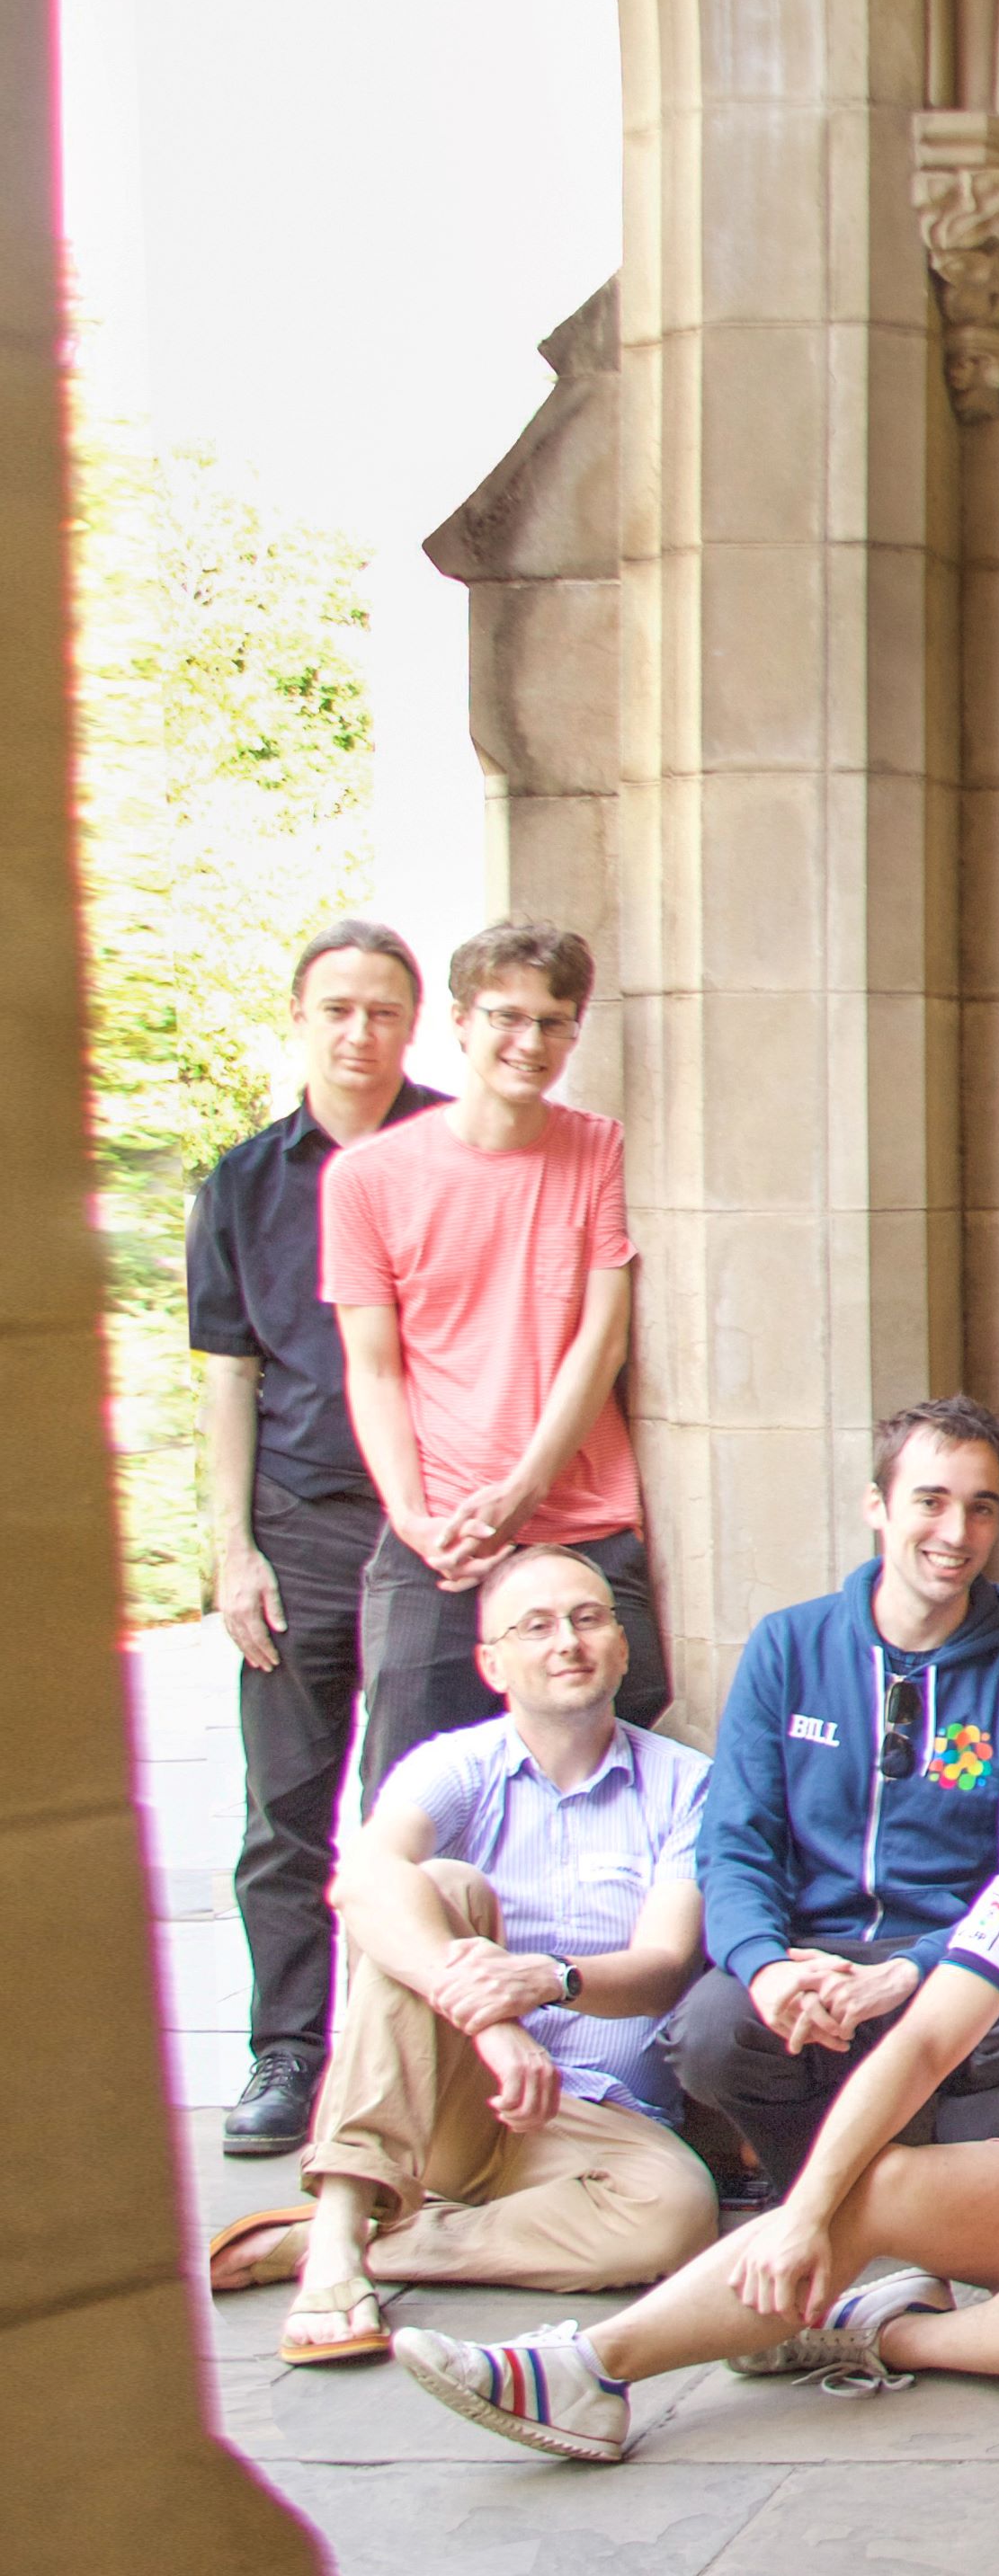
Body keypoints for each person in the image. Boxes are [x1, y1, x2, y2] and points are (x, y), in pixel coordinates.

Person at [397, 1621, 999, 2459]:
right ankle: (588, 2368)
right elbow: (919, 2046)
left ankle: (890, 2334)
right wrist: (807, 2210)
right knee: (871, 2185)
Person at [201, 1542, 715, 2366]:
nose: (567, 1643)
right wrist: (495, 2024)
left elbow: (662, 1965)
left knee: (679, 2215)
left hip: (593, 2121)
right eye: (536, 1626)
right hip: (456, 2097)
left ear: (623, 1645)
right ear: (492, 1661)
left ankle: (372, 2245)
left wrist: (547, 1980)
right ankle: (336, 2235)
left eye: (589, 1620)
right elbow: (362, 1880)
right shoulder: (458, 1766)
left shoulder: (688, 1784)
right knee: (439, 1887)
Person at [664, 1399, 999, 2193]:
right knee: (711, 2031)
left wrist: (915, 1970)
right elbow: (735, 1843)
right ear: (877, 1506)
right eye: (931, 1501)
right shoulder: (788, 1647)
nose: (956, 1534)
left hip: (952, 1962)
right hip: (809, 1958)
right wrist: (765, 1969)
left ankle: (943, 2193)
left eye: (979, 1508)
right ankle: (819, 2181)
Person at [189, 916, 442, 2153]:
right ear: (302, 1018)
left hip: (429, 1531)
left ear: (413, 1023)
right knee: (284, 1811)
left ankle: (398, 2056)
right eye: (338, 1008)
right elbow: (227, 1378)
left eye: (384, 1010)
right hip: (296, 1523)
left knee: (418, 1806)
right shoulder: (242, 1184)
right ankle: (287, 2055)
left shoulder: (453, 1150)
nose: (361, 1032)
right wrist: (230, 1551)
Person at [324, 918, 659, 1790]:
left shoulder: (600, 1148)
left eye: (553, 1021)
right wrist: (412, 1515)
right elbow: (375, 1366)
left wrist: (528, 1486)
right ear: (461, 1021)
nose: (529, 1041)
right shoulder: (364, 1179)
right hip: (440, 1528)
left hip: (582, 1512)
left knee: (622, 1764)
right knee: (408, 1790)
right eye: (507, 1016)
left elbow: (602, 1335)